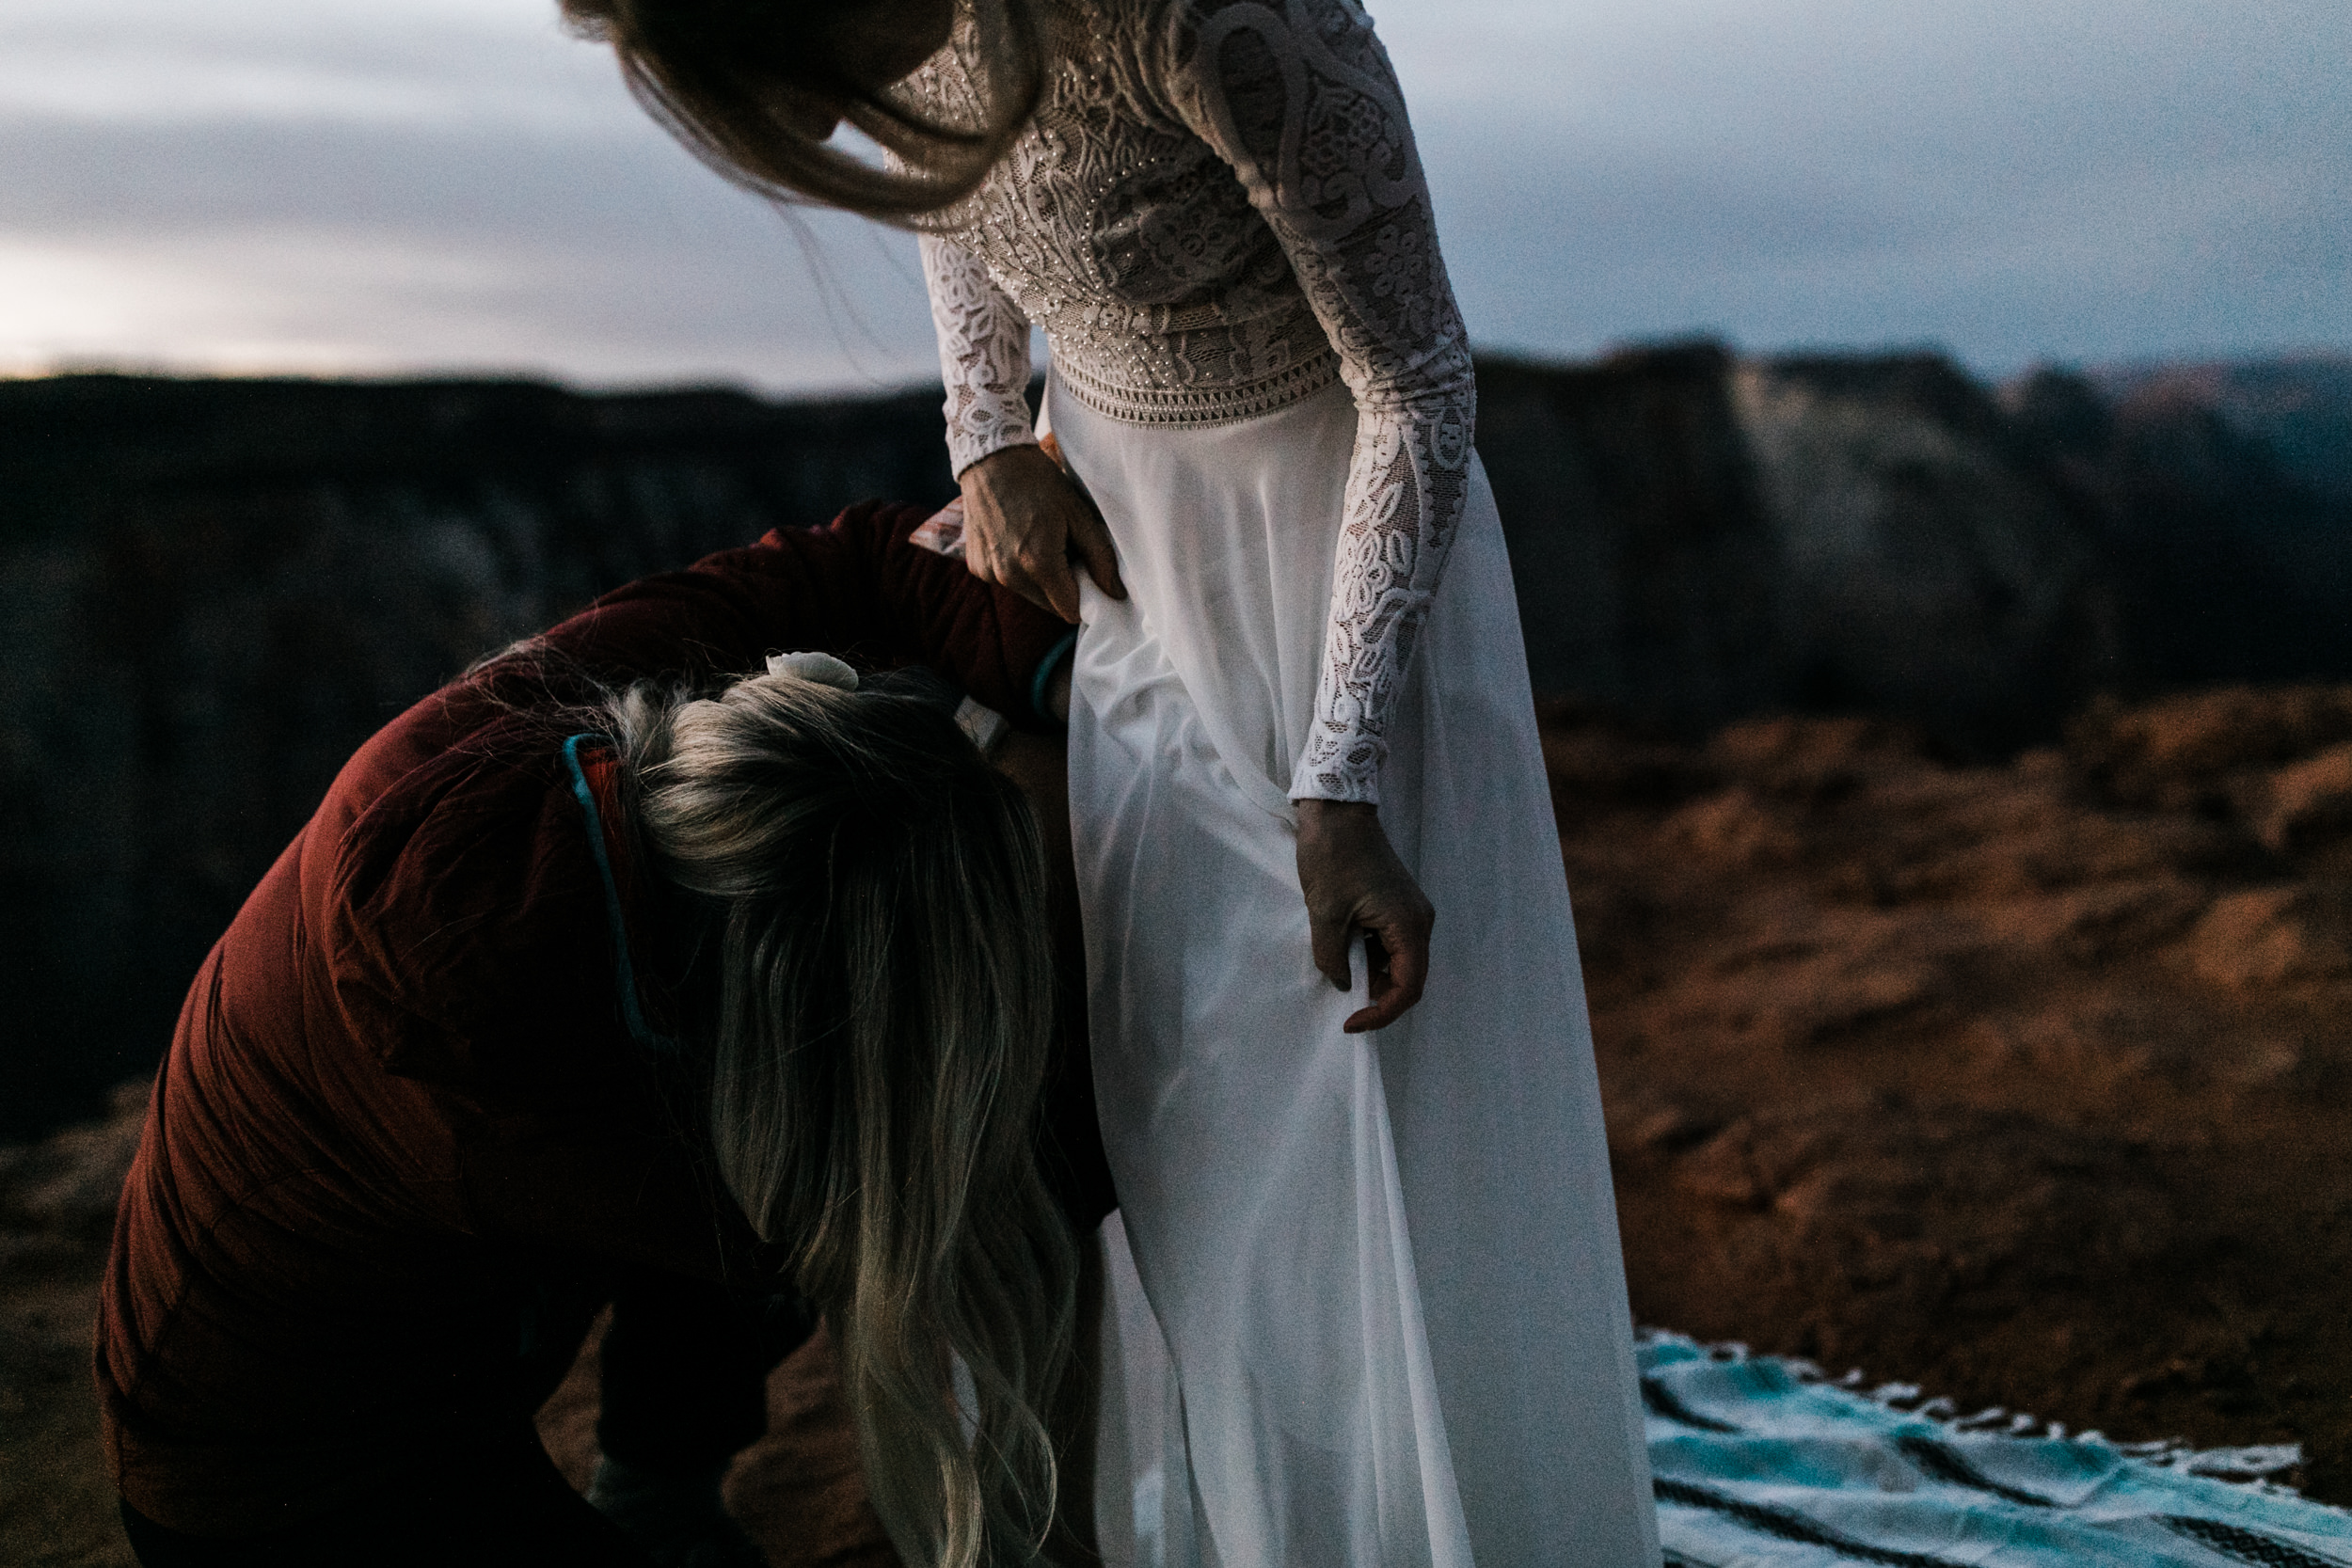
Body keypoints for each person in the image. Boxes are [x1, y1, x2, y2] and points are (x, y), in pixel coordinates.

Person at [566, 1, 1660, 1562]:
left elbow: (1417, 386)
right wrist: (987, 435)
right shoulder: (892, 24)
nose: (812, 137)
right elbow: (955, 186)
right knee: (1184, 1083)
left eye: (776, 76)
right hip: (1127, 556)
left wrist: (1339, 778)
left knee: (1348, 1079)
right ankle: (1268, 1508)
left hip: (1326, 555)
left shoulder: (1210, 19)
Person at [95, 499, 1116, 1568]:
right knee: (801, 1138)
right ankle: (657, 1498)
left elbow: (856, 562)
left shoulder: (540, 731)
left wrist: (1080, 682)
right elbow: (910, 1196)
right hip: (279, 1474)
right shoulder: (519, 1108)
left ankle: (655, 1487)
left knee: (775, 1121)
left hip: (432, 1292)